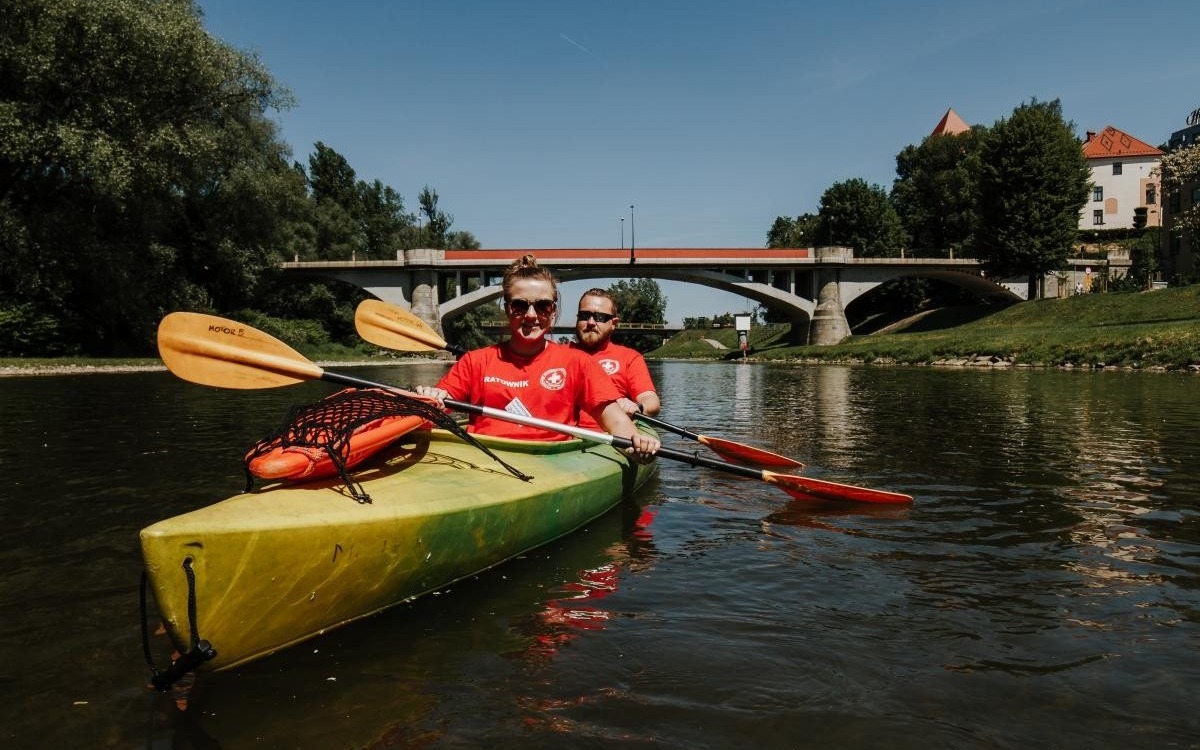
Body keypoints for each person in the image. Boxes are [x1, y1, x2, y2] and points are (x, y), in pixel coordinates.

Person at [415, 255, 659, 461]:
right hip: (484, 460)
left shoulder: (578, 362)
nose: (531, 315)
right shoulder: (474, 362)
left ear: (552, 311)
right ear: (507, 308)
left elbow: (617, 424)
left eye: (542, 306)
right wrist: (430, 399)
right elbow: (429, 416)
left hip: (552, 463)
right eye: (520, 306)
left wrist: (636, 445)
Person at [570, 288, 661, 430]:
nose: (591, 322)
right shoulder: (559, 353)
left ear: (613, 323)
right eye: (584, 315)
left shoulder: (629, 358)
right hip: (564, 436)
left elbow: (651, 400)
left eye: (600, 317)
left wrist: (637, 406)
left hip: (612, 434)